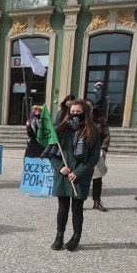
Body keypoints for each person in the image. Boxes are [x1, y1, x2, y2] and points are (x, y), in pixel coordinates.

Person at [43, 98, 102, 251]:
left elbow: (94, 156)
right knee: (62, 206)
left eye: (79, 112)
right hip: (63, 174)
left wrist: (78, 172)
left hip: (80, 175)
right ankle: (59, 236)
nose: (75, 114)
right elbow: (52, 153)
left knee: (77, 207)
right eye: (73, 112)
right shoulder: (61, 129)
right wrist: (60, 167)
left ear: (85, 113)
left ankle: (76, 236)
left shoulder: (92, 131)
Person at [86, 98, 110, 212]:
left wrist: (104, 148)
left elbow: (106, 135)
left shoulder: (100, 119)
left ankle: (97, 201)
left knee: (97, 178)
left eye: (90, 107)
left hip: (97, 152)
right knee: (81, 178)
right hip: (82, 153)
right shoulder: (78, 120)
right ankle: (78, 201)